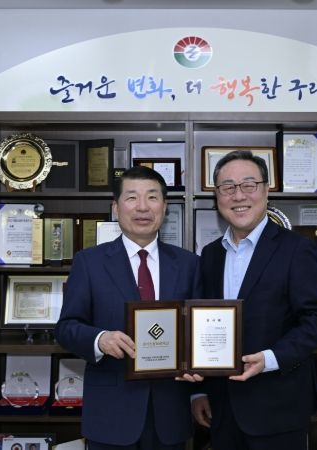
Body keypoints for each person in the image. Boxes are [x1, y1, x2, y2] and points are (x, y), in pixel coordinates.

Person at [191, 150, 317, 450]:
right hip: (223, 408)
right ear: (217, 196)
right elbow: (204, 325)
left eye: (249, 185)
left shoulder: (297, 249)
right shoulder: (211, 254)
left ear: (266, 191)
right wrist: (199, 391)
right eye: (228, 187)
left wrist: (270, 359)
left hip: (278, 407)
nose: (238, 195)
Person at [55, 165, 198, 450]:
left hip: (170, 412)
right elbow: (66, 328)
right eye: (132, 197)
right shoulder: (89, 262)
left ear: (165, 207)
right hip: (111, 413)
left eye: (152, 197)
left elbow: (198, 330)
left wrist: (199, 384)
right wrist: (100, 339)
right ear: (116, 208)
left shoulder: (189, 264)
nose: (142, 207)